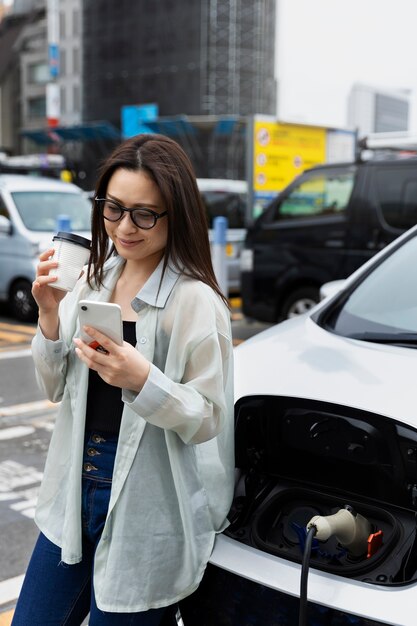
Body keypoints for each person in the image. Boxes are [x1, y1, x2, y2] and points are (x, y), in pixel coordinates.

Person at [12, 134, 235, 626]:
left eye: (144, 214)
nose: (124, 228)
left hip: (146, 507)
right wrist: (49, 314)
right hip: (73, 486)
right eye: (113, 209)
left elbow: (209, 418)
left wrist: (142, 380)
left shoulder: (196, 301)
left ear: (176, 215)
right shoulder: (96, 279)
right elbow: (54, 388)